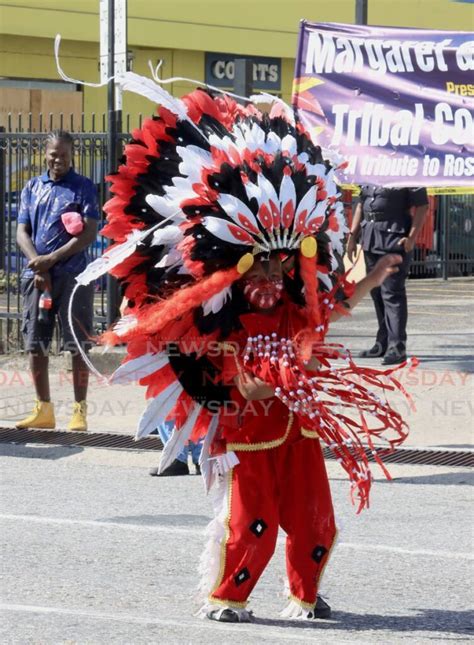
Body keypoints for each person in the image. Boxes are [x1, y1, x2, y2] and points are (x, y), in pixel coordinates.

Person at [76, 77, 414, 622]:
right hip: (249, 432)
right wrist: (253, 381)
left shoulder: (291, 300)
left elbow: (328, 311)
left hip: (299, 426)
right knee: (252, 519)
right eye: (262, 260)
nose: (274, 271)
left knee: (314, 519)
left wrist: (372, 278)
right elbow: (223, 373)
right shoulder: (219, 319)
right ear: (235, 258)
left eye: (283, 261)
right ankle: (229, 598)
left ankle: (306, 593)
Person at [15, 130, 99, 431]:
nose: (58, 158)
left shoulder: (83, 187)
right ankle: (44, 409)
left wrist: (53, 259)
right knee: (36, 343)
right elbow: (21, 231)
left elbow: (89, 232)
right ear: (45, 153)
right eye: (53, 153)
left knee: (77, 344)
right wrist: (38, 264)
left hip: (73, 277)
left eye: (64, 154)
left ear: (71, 154)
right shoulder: (32, 187)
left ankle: (79, 411)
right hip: (37, 277)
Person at [347, 186, 428, 365]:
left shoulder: (408, 168)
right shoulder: (371, 167)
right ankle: (382, 342)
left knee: (392, 293)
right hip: (370, 237)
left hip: (395, 238)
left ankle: (397, 346)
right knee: (376, 292)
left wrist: (412, 237)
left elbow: (422, 206)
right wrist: (353, 237)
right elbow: (361, 204)